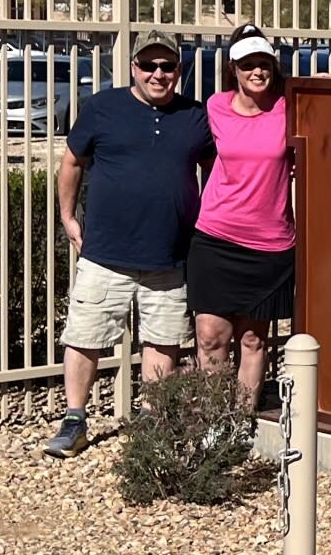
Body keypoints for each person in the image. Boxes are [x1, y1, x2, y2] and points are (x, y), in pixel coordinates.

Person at [45, 29, 215, 458]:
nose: (158, 74)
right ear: (133, 68)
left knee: (162, 340)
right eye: (149, 65)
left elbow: (218, 171)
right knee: (85, 337)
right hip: (105, 254)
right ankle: (74, 420)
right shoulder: (103, 108)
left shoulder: (196, 116)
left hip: (169, 257)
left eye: (167, 66)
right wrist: (67, 218)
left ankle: (153, 426)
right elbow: (71, 162)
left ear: (179, 69)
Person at [187, 23, 295, 407]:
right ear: (233, 68)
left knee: (253, 339)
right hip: (216, 238)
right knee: (211, 335)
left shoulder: (290, 107)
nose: (257, 71)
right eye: (247, 64)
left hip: (269, 244)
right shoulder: (216, 106)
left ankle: (239, 425)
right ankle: (215, 423)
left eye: (263, 63)